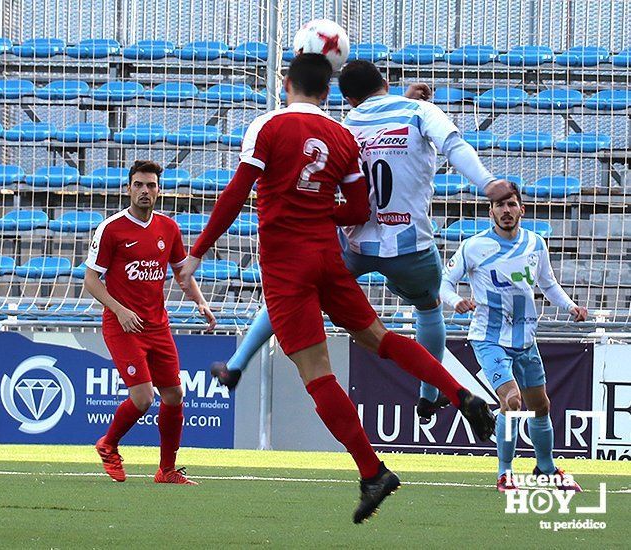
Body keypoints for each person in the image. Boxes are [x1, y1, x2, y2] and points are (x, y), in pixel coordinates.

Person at [178, 54, 495, 523]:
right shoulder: (340, 135)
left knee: (317, 373)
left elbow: (235, 193)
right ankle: (460, 394)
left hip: (287, 266)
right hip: (329, 259)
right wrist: (318, 210)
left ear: (286, 83)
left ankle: (373, 472)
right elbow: (357, 209)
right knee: (383, 340)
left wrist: (198, 251)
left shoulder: (267, 127)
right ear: (327, 93)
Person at [209, 60, 513, 422]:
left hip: (353, 244)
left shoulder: (344, 127)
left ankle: (237, 362)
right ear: (384, 81)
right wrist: (487, 183)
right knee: (428, 308)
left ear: (348, 98)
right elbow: (453, 144)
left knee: (288, 294)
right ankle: (429, 394)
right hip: (409, 247)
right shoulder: (419, 111)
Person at [440, 182, 586, 492]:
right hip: (489, 338)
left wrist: (570, 305)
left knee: (541, 406)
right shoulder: (474, 246)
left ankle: (544, 468)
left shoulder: (536, 244)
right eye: (500, 206)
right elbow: (444, 284)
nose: (506, 211)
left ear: (522, 209)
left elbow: (548, 285)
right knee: (512, 401)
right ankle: (505, 472)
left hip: (525, 340)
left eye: (511, 205)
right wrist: (457, 303)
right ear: (490, 211)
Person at [85, 160, 216, 486]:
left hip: (157, 326)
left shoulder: (168, 228)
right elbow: (91, 280)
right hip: (122, 325)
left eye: (151, 185)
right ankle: (108, 444)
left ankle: (167, 470)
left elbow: (181, 272)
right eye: (139, 185)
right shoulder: (111, 229)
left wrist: (200, 300)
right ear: (128, 188)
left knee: (173, 395)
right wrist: (120, 310)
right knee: (143, 398)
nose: (145, 191)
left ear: (159, 190)